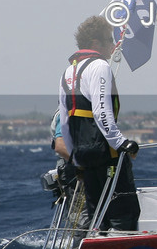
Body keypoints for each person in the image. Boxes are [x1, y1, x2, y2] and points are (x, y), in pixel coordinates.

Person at [57, 15, 140, 232]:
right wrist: (122, 143)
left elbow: (64, 120)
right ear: (96, 44)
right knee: (125, 212)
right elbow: (101, 111)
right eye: (109, 41)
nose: (114, 46)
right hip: (105, 153)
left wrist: (75, 157)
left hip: (83, 156)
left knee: (97, 214)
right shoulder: (100, 66)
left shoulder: (68, 72)